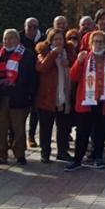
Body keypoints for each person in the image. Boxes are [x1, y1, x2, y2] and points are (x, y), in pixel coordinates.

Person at [66, 31, 105, 171]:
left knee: (100, 131)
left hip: (104, 102)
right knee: (82, 132)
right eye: (96, 41)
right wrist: (79, 62)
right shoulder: (84, 58)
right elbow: (73, 76)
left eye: (101, 42)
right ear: (91, 44)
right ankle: (77, 159)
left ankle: (98, 158)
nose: (98, 44)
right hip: (86, 101)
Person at [0, 29, 38, 166]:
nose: (8, 41)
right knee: (0, 129)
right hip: (1, 98)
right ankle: (1, 154)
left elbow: (33, 77)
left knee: (19, 129)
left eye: (11, 38)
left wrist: (30, 96)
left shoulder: (27, 55)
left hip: (19, 97)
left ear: (17, 40)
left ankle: (20, 154)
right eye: (5, 39)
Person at [35, 29, 76, 163]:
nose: (58, 42)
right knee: (46, 128)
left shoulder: (69, 52)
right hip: (47, 97)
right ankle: (45, 153)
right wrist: (53, 54)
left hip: (64, 96)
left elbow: (76, 65)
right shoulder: (44, 52)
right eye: (55, 39)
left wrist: (69, 63)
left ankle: (62, 151)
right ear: (50, 41)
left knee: (63, 127)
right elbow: (41, 68)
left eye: (61, 39)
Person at [20, 17, 43, 148]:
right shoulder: (19, 38)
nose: (33, 29)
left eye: (35, 27)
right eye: (30, 27)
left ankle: (31, 136)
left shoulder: (42, 39)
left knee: (35, 110)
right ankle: (16, 137)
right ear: (25, 27)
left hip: (36, 78)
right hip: (21, 79)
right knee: (20, 112)